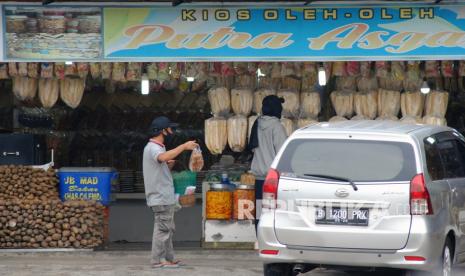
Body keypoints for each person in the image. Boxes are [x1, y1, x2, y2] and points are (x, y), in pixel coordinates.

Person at [143, 116, 198, 269]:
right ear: (163, 131)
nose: (172, 131)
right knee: (163, 229)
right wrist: (184, 146)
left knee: (167, 228)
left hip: (164, 195)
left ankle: (169, 258)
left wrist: (168, 166)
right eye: (170, 128)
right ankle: (157, 260)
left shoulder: (158, 147)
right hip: (160, 196)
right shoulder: (154, 147)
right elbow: (162, 157)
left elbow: (160, 165)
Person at [248, 95, 288, 231]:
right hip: (273, 179)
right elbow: (283, 153)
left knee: (260, 212)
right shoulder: (277, 127)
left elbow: (252, 148)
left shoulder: (257, 124)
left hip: (259, 177)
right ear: (277, 109)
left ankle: (260, 238)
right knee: (274, 212)